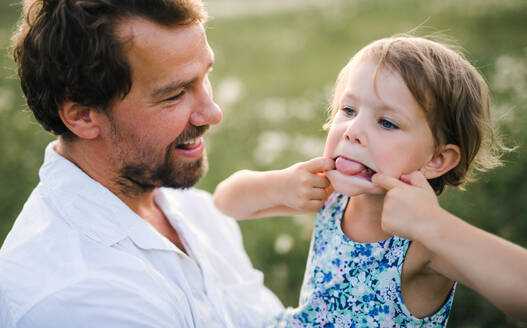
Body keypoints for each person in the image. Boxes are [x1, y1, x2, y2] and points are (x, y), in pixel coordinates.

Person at [0, 0, 284, 327]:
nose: (213, 112)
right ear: (82, 116)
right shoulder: (76, 297)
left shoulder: (194, 209)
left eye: (204, 76)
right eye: (175, 94)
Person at [213, 36, 527, 326]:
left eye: (387, 122)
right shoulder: (332, 197)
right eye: (348, 110)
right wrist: (279, 185)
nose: (353, 130)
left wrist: (434, 226)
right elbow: (225, 203)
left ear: (436, 160)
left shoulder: (424, 245)